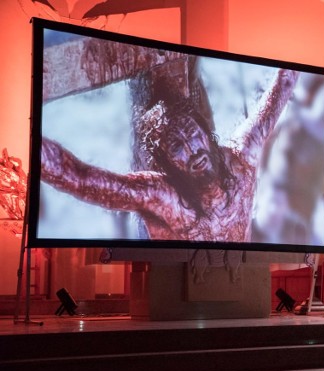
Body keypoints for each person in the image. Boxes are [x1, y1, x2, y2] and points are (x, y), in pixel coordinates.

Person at [40, 69, 299, 242]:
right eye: (177, 147)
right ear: (167, 164)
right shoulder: (165, 197)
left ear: (207, 133)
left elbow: (284, 85)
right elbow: (80, 178)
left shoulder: (241, 159)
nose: (191, 150)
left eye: (192, 134)